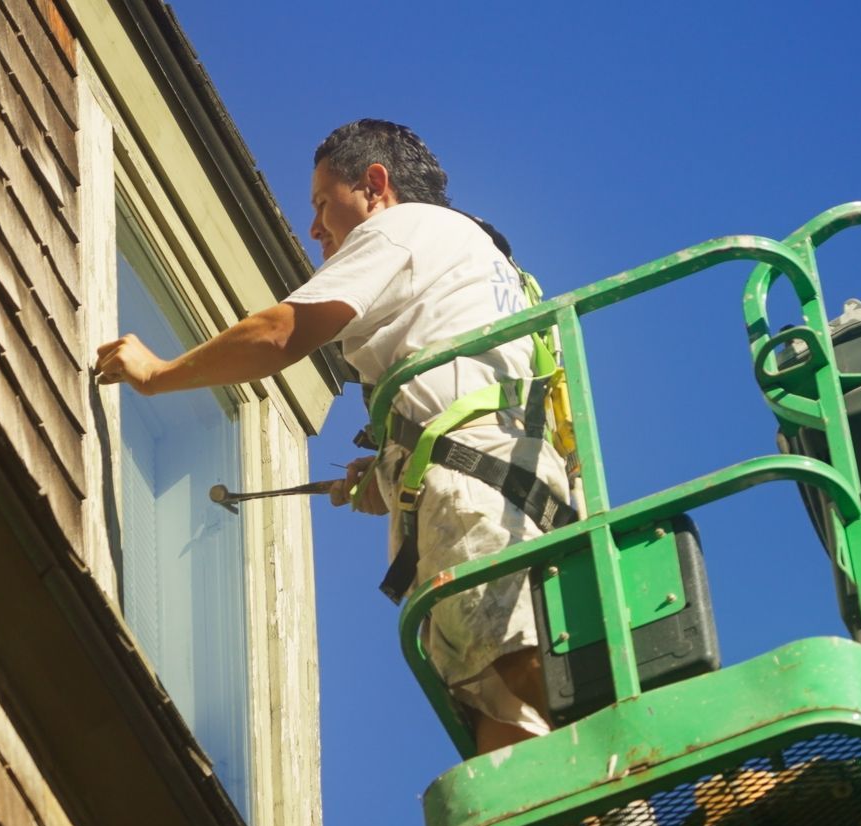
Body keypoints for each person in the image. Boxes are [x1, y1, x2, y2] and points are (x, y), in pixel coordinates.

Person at [95, 119, 570, 756]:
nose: (315, 228)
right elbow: (470, 396)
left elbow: (280, 332)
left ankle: (618, 817)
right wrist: (393, 471)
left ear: (374, 185)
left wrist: (157, 375)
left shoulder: (402, 229)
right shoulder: (492, 267)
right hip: (531, 490)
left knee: (505, 667)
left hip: (477, 486)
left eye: (322, 203)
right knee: (508, 688)